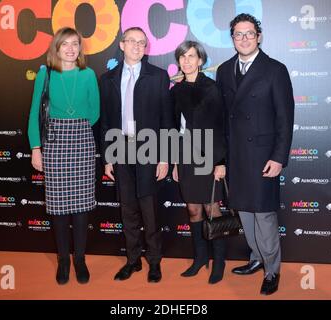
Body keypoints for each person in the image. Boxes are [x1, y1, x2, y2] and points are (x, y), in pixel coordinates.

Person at [216, 13, 294, 295]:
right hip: (236, 155)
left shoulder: (275, 70)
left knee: (263, 215)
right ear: (233, 39)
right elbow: (222, 119)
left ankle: (272, 270)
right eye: (238, 34)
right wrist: (221, 159)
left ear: (259, 36)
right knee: (244, 213)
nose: (244, 38)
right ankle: (256, 258)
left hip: (263, 157)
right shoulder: (224, 70)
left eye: (249, 33)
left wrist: (279, 157)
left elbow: (285, 118)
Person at [99, 27, 174, 283]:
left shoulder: (159, 76)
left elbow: (167, 120)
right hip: (120, 149)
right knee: (128, 209)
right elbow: (106, 121)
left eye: (142, 43)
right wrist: (108, 157)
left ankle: (154, 262)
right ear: (121, 45)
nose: (137, 46)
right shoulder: (107, 78)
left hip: (149, 149)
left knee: (149, 210)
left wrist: (164, 157)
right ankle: (133, 261)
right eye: (132, 41)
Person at [27, 27, 100, 285]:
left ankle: (79, 259)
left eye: (75, 44)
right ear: (56, 47)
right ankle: (62, 260)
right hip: (54, 142)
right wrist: (37, 148)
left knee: (81, 208)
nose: (70, 48)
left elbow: (95, 112)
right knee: (58, 208)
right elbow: (35, 112)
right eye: (65, 44)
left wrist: (76, 124)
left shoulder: (89, 74)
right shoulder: (45, 74)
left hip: (81, 141)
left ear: (80, 48)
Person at [170, 41, 227, 284]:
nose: (187, 61)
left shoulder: (212, 88)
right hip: (184, 154)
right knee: (193, 209)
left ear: (200, 60)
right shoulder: (175, 90)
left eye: (191, 56)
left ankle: (219, 262)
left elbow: (221, 126)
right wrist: (174, 162)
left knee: (211, 209)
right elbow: (174, 128)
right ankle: (200, 258)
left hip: (209, 154)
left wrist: (221, 161)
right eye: (183, 57)